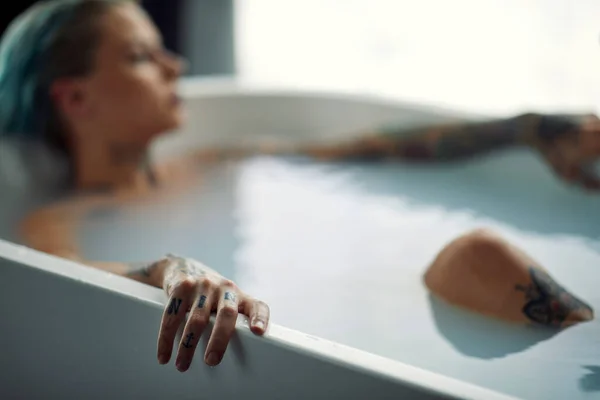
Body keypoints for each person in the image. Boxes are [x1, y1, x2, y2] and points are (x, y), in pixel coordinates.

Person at [0, 0, 594, 371]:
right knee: (473, 255)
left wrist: (526, 128)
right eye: (140, 56)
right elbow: (62, 279)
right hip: (364, 335)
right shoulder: (58, 217)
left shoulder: (216, 162)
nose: (174, 66)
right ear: (75, 98)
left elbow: (371, 149)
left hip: (383, 307)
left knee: (475, 255)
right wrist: (166, 268)